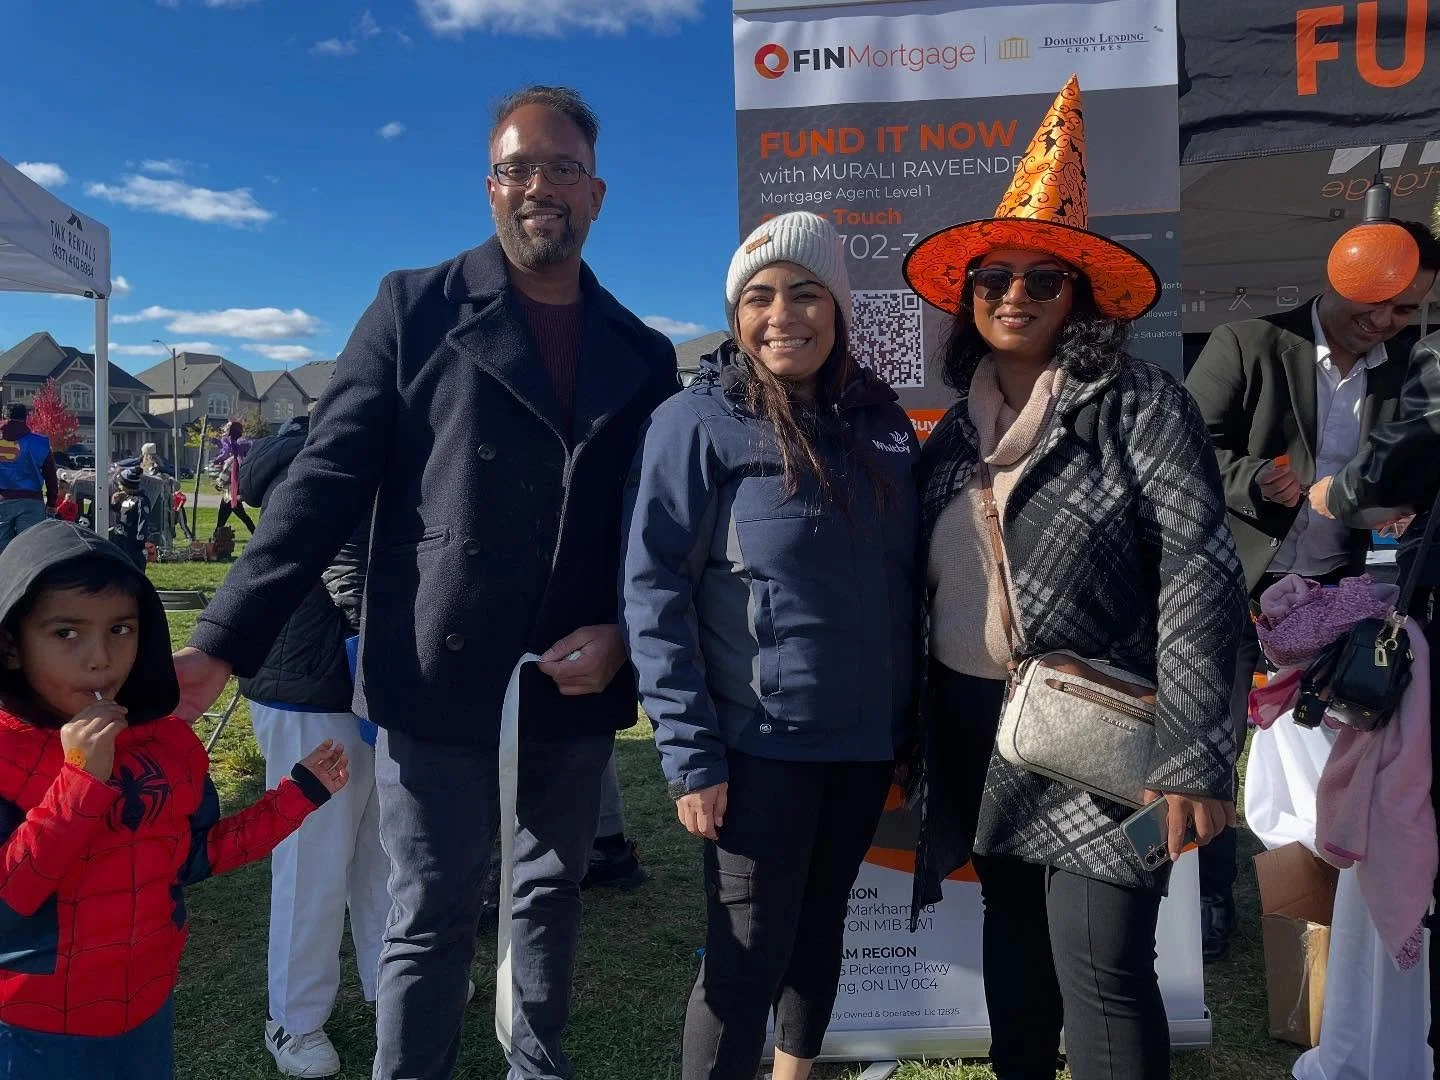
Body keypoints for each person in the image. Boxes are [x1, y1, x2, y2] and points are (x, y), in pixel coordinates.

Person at [169, 85, 678, 1080]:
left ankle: (537, 1069)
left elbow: (651, 530)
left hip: (566, 681)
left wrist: (622, 629)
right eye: (518, 167)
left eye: (561, 168)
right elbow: (321, 484)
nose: (540, 186)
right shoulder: (414, 307)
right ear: (491, 187)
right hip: (434, 673)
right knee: (432, 909)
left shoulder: (644, 352)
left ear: (598, 192)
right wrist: (223, 643)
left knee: (545, 897)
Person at [903, 77, 1245, 1080]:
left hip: (1105, 728)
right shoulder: (945, 436)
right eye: (993, 278)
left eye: (1041, 279)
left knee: (1101, 965)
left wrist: (1194, 757)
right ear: (968, 297)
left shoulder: (1137, 404)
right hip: (975, 725)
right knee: (1012, 942)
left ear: (1079, 294)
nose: (1013, 294)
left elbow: (1200, 570)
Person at [622, 211, 919, 1080]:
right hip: (757, 750)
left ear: (839, 307)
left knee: (821, 924)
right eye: (758, 297)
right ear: (735, 315)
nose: (781, 313)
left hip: (864, 747)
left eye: (804, 292)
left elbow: (908, 583)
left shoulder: (882, 421)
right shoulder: (695, 421)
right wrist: (690, 752)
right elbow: (652, 589)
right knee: (745, 955)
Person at [0, 519, 347, 1079]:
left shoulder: (166, 744)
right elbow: (8, 903)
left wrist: (295, 797)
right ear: (12, 647)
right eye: (66, 633)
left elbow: (195, 856)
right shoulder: (5, 755)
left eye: (121, 629)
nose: (99, 658)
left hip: (147, 1006)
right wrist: (80, 781)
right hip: (30, 1028)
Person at [1184, 218, 1440, 960]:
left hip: (1346, 594)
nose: (1385, 322)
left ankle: (1339, 902)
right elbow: (1188, 445)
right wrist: (1255, 481)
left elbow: (1412, 466)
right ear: (1341, 275)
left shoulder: (1410, 371)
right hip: (1235, 580)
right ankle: (1208, 900)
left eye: (1406, 309)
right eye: (1375, 303)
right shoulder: (1249, 342)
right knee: (1211, 744)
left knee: (1347, 752)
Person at [238, 416, 390, 1079]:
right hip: (316, 690)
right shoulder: (331, 456)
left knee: (382, 848)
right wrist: (380, 670)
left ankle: (391, 982)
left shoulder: (358, 444)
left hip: (352, 682)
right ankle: (294, 1020)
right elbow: (348, 566)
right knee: (314, 862)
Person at [0, 403, 59, 553]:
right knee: (30, 550)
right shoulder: (40, 442)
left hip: (2, 500)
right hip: (32, 501)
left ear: (4, 417)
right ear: (25, 418)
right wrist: (51, 502)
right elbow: (51, 475)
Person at [211, 420, 257, 536]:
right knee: (223, 519)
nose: (224, 432)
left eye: (227, 429)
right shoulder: (236, 456)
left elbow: (226, 474)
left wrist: (219, 483)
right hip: (230, 494)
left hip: (231, 494)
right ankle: (216, 537)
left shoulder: (234, 459)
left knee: (236, 516)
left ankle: (256, 534)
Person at [109, 466, 150, 571]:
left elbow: (143, 520)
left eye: (120, 484)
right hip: (121, 538)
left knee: (134, 567)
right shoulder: (127, 498)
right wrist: (115, 502)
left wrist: (140, 540)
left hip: (132, 541)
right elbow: (120, 512)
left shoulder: (141, 500)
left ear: (127, 485)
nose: (118, 486)